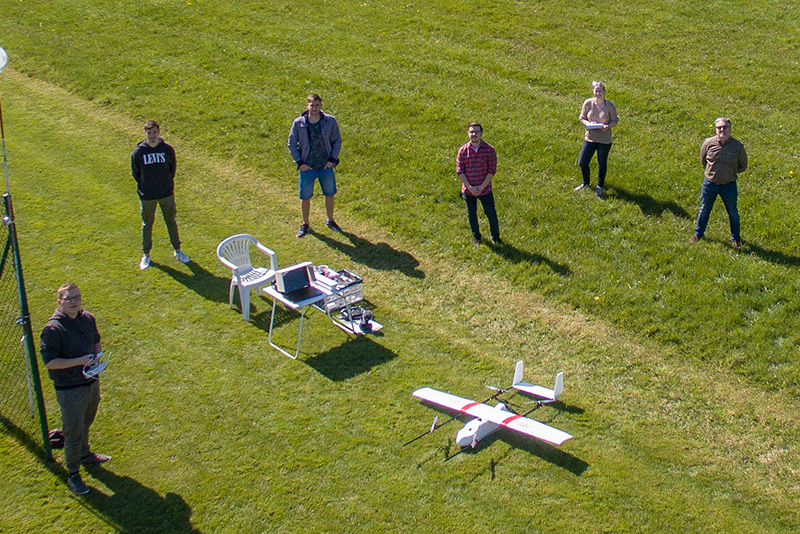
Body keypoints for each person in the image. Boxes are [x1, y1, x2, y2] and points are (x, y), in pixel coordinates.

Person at [39, 283, 110, 495]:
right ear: (59, 302)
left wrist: (97, 357)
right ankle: (73, 473)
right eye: (68, 299)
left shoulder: (87, 318)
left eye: (77, 297)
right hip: (70, 388)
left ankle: (85, 453)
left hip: (91, 381)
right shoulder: (53, 329)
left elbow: (96, 340)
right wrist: (80, 361)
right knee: (72, 431)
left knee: (86, 421)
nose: (74, 302)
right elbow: (50, 362)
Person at [131, 120, 190, 269]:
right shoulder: (138, 153)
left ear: (159, 132)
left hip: (166, 194)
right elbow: (136, 173)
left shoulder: (167, 150)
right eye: (149, 133)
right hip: (147, 196)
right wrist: (146, 186)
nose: (152, 136)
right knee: (147, 224)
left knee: (171, 221)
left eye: (155, 132)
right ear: (145, 133)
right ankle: (146, 255)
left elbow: (172, 169)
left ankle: (178, 250)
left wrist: (166, 185)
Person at [287, 94, 343, 238]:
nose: (314, 108)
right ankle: (305, 223)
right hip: (308, 168)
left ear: (321, 106)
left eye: (317, 105)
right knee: (305, 196)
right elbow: (291, 143)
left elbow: (337, 140)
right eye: (312, 105)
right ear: (307, 106)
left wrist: (332, 159)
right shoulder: (299, 123)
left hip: (326, 167)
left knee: (329, 194)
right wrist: (300, 163)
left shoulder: (329, 121)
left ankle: (330, 220)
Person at [689, 117, 748, 249]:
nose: (722, 130)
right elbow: (703, 161)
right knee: (704, 209)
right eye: (719, 128)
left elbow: (743, 165)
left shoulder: (738, 147)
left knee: (733, 212)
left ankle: (736, 240)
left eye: (725, 127)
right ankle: (698, 235)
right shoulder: (708, 143)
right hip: (710, 184)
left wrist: (730, 174)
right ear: (716, 129)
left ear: (730, 129)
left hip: (729, 185)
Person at [457, 122, 500, 245]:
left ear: (481, 134)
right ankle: (476, 237)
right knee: (472, 215)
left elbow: (492, 170)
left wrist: (481, 187)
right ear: (468, 133)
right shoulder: (463, 151)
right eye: (472, 132)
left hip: (485, 190)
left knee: (491, 214)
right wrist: (470, 187)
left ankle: (495, 237)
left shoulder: (489, 150)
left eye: (476, 132)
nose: (474, 134)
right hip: (468, 190)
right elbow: (460, 170)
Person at [575, 81, 619, 196]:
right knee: (582, 162)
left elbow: (615, 120)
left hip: (604, 140)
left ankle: (600, 185)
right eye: (596, 91)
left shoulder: (610, 106)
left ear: (604, 92)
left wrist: (608, 126)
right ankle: (586, 183)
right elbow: (582, 117)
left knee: (602, 163)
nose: (598, 93)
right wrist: (588, 123)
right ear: (593, 91)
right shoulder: (588, 103)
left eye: (600, 91)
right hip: (590, 138)